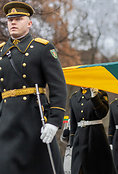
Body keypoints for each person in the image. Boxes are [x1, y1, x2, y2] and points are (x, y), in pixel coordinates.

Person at [0, 1, 67, 173]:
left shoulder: (42, 48)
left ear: (29, 23)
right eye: (10, 20)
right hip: (6, 122)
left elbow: (58, 87)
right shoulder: (1, 52)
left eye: (18, 19)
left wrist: (54, 121)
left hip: (34, 120)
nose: (13, 22)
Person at [69, 87, 117, 174]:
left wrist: (95, 97)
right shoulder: (74, 97)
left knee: (98, 168)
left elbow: (102, 113)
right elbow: (73, 123)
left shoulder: (100, 93)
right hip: (79, 139)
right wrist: (71, 143)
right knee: (78, 169)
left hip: (96, 136)